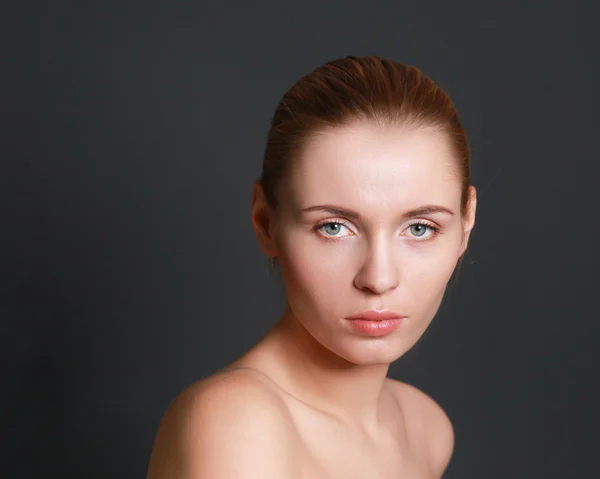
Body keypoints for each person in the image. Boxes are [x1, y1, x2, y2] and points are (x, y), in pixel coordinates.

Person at [146, 55, 477, 478]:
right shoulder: (236, 422)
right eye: (334, 227)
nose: (378, 278)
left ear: (465, 224)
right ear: (266, 223)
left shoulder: (426, 428)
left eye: (419, 228)